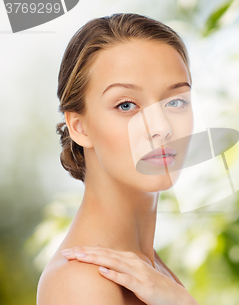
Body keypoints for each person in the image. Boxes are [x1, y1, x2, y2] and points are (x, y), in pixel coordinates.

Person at [36, 13, 199, 305]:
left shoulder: (151, 270)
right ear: (79, 127)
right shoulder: (80, 283)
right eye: (126, 105)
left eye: (175, 102)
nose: (161, 126)